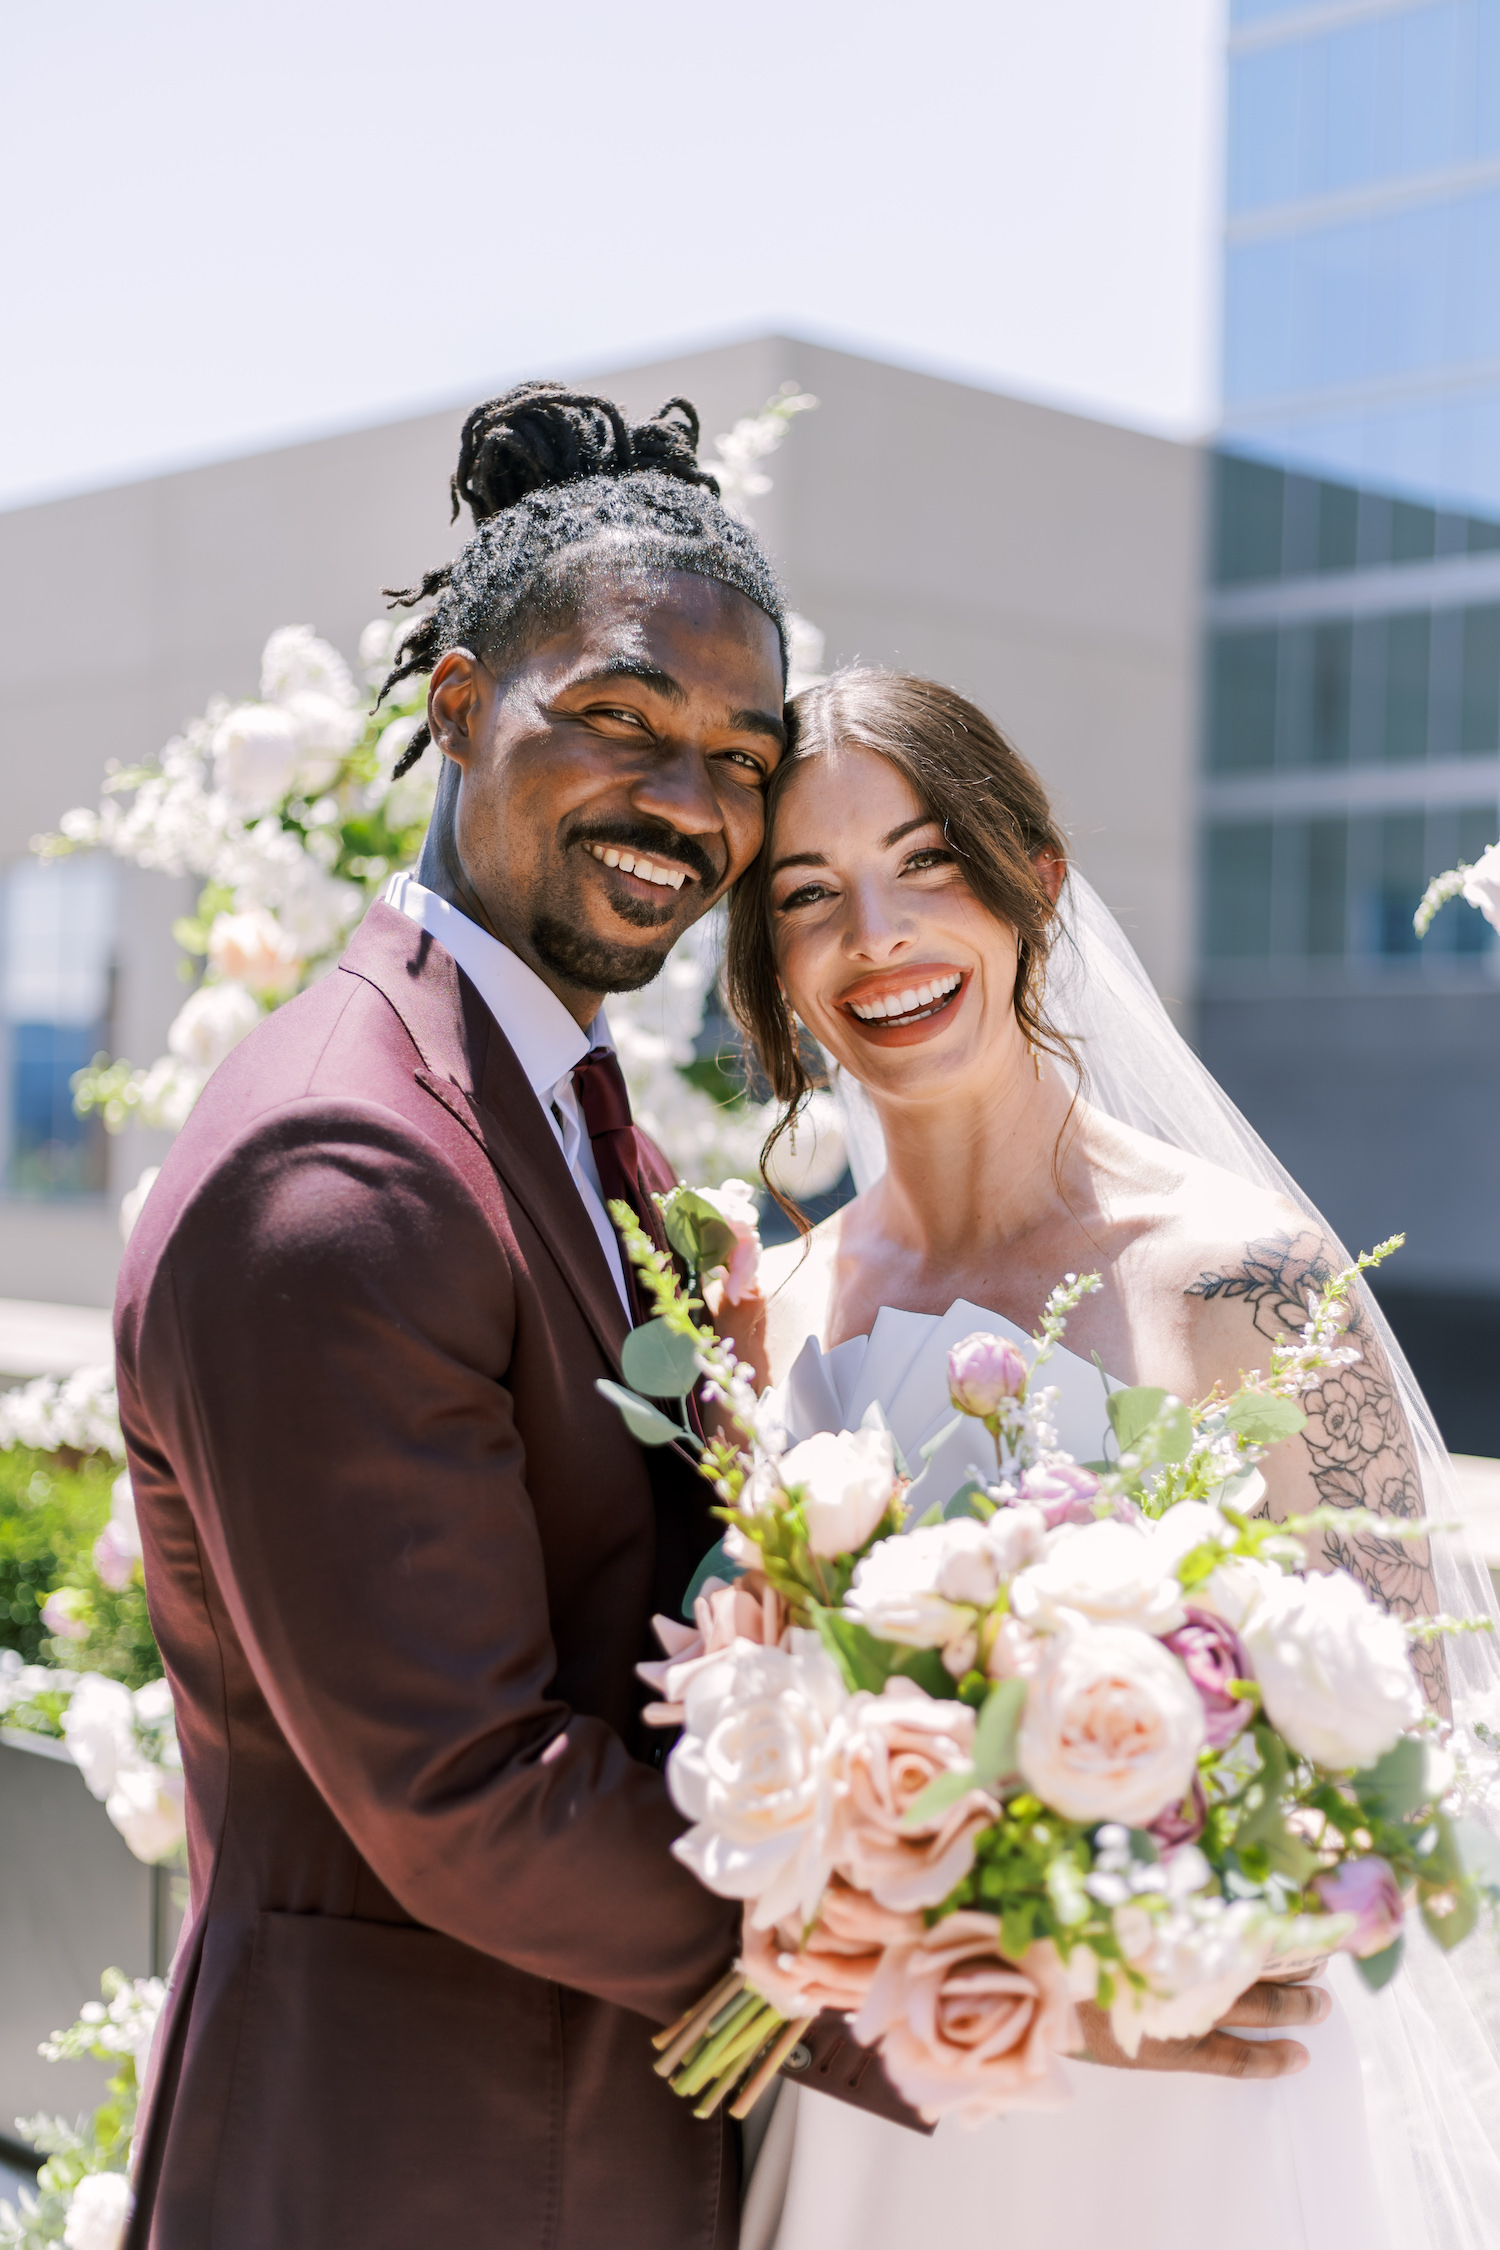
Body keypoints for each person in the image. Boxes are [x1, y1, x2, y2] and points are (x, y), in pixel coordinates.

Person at [113, 383, 796, 2250]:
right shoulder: (342, 1162)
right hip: (403, 2166)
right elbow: (461, 1782)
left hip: (590, 2137)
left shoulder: (575, 1119)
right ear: (457, 704)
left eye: (747, 757)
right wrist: (936, 1936)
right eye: (619, 719)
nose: (690, 803)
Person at [717, 668, 1500, 2250]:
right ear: (771, 970)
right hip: (878, 2107)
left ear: (1035, 881)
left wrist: (1098, 1934)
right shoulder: (768, 1305)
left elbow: (1411, 1763)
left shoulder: (1246, 1282)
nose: (878, 934)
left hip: (1182, 2111)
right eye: (810, 894)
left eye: (927, 861)